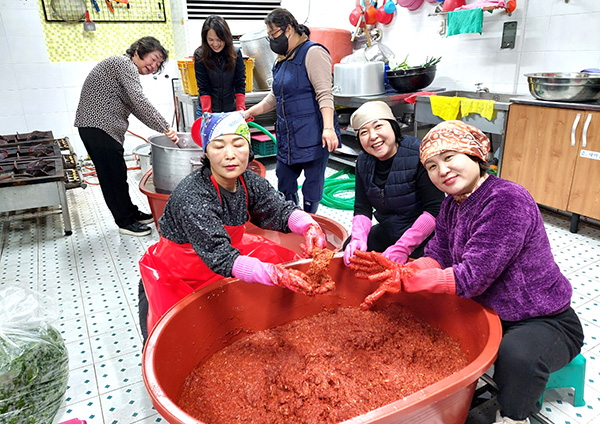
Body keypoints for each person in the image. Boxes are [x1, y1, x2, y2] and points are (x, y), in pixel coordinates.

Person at [350, 120, 584, 424]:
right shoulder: (451, 205)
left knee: (518, 357)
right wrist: (404, 269)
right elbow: (438, 255)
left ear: (475, 155)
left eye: (449, 158)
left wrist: (409, 280)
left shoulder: (506, 199)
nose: (442, 171)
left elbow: (472, 275)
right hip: (491, 310)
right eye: (432, 166)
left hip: (541, 317)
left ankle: (513, 416)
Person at [138, 112, 328, 338]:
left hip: (226, 256)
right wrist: (272, 274)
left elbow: (277, 208)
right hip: (180, 273)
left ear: (249, 148)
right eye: (218, 146)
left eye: (238, 144)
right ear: (206, 152)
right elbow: (220, 256)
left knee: (278, 262)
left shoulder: (248, 182)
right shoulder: (193, 195)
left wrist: (308, 226)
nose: (230, 155)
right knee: (181, 336)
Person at [74, 36, 178, 236]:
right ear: (139, 50)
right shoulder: (123, 64)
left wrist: (162, 128)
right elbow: (139, 101)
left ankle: (130, 213)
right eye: (153, 59)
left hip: (101, 128)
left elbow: (137, 107)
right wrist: (165, 127)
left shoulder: (124, 68)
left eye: (158, 64)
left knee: (118, 173)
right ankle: (124, 222)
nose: (154, 66)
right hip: (97, 127)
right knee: (112, 176)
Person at [244, 8, 340, 214]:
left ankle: (311, 220)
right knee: (284, 181)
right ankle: (290, 218)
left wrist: (329, 128)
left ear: (288, 29)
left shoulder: (313, 52)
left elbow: (325, 94)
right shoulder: (282, 59)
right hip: (288, 136)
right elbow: (274, 97)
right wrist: (248, 112)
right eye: (269, 36)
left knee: (312, 186)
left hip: (313, 134)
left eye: (274, 35)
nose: (272, 41)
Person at [343, 101, 445, 266]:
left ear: (393, 126)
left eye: (378, 126)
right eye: (364, 132)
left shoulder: (419, 154)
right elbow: (362, 208)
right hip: (389, 229)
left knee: (416, 272)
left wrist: (403, 247)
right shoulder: (363, 160)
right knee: (350, 251)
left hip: (425, 236)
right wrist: (358, 238)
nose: (373, 136)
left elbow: (435, 210)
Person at [193, 15, 246, 118]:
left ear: (226, 38)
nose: (215, 44)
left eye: (219, 39)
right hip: (207, 109)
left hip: (230, 110)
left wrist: (241, 110)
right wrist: (207, 113)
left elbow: (240, 83)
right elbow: (204, 87)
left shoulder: (235, 53)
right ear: (205, 39)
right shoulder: (200, 56)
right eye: (211, 40)